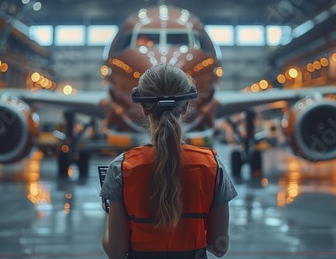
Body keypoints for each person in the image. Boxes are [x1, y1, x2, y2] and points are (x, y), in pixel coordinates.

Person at [100, 63, 237, 259]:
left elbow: (116, 252)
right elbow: (219, 246)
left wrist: (110, 219)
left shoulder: (121, 168)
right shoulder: (212, 166)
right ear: (186, 107)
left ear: (144, 108)